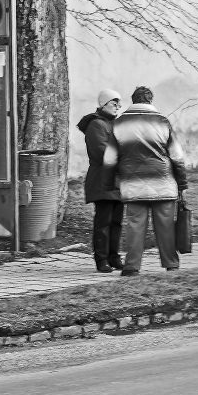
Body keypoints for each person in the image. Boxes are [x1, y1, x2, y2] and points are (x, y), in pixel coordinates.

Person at [103, 86, 188, 276]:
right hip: (163, 183)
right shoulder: (162, 122)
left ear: (133, 101)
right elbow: (177, 156)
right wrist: (182, 183)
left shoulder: (119, 124)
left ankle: (132, 266)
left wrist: (109, 184)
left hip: (133, 185)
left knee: (134, 226)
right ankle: (171, 264)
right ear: (150, 101)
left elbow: (109, 158)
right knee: (165, 225)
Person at [77, 89, 124, 273]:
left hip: (118, 180)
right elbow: (103, 152)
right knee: (103, 222)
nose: (118, 107)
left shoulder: (115, 124)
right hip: (103, 180)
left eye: (119, 103)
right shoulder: (97, 125)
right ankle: (101, 259)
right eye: (114, 103)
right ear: (104, 104)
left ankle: (114, 256)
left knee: (117, 222)